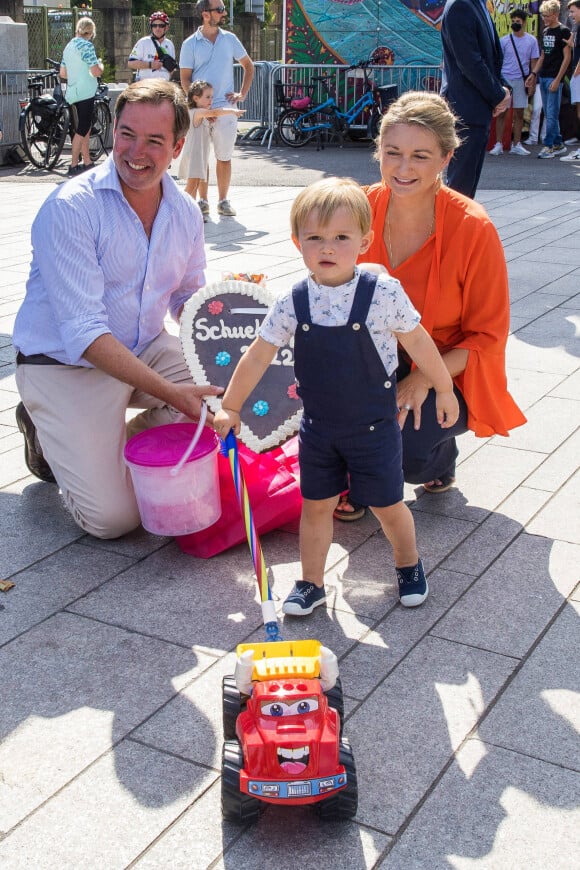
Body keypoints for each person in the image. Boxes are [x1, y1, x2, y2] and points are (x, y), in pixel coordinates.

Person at [214, 177, 461, 615]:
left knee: (388, 505)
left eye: (341, 238)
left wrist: (443, 386)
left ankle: (408, 563)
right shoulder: (294, 301)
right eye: (315, 238)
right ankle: (310, 582)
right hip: (319, 429)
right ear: (297, 242)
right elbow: (257, 355)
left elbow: (419, 342)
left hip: (375, 428)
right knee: (316, 507)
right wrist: (231, 406)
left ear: (364, 242)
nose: (327, 248)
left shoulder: (382, 294)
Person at [12, 79, 223, 540]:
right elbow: (85, 335)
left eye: (154, 140)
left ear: (178, 146)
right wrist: (170, 393)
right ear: (113, 131)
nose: (136, 151)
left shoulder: (185, 211)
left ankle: (104, 443)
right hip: (64, 365)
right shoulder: (71, 208)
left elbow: (188, 296)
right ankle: (47, 433)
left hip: (141, 348)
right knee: (115, 521)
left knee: (220, 391)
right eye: (127, 134)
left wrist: (231, 328)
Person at [334, 92, 526, 521]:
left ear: (446, 158)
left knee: (409, 450)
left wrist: (425, 378)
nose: (403, 169)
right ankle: (358, 473)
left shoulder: (474, 229)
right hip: (367, 360)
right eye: (392, 153)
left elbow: (487, 338)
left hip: (445, 367)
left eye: (420, 156)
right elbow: (315, 252)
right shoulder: (355, 209)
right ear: (378, 151)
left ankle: (436, 458)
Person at [179, 0, 254, 218]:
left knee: (224, 156)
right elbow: (185, 79)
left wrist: (242, 93)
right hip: (202, 109)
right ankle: (202, 201)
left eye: (222, 9)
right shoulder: (190, 43)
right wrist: (198, 105)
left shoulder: (229, 38)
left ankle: (223, 200)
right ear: (205, 14)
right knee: (201, 157)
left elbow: (248, 66)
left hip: (224, 104)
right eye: (219, 9)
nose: (223, 13)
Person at [440, 0, 511, 197]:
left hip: (476, 108)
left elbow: (490, 58)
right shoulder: (460, 5)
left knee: (466, 186)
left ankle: (460, 226)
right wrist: (497, 95)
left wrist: (503, 90)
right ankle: (452, 227)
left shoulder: (477, 4)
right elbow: (469, 61)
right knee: (460, 187)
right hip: (466, 109)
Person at [178, 80, 245, 220]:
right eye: (207, 97)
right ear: (195, 98)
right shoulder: (197, 111)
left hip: (199, 155)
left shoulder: (200, 113)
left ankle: (191, 214)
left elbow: (209, 116)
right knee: (191, 187)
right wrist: (232, 110)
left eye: (212, 97)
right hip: (195, 155)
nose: (211, 100)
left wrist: (209, 120)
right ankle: (180, 213)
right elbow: (215, 111)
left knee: (194, 185)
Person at [490, 9, 540, 156]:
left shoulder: (531, 41)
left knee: (519, 113)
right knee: (502, 112)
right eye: (513, 21)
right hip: (505, 79)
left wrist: (532, 80)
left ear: (524, 23)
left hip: (521, 80)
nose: (515, 24)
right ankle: (498, 144)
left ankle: (516, 144)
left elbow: (534, 62)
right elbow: (497, 61)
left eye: (518, 21)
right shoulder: (504, 41)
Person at [60, 16, 104, 176]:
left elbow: (63, 73)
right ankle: (73, 164)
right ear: (91, 32)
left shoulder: (68, 46)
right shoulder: (87, 46)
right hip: (86, 91)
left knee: (83, 128)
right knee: (83, 128)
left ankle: (87, 161)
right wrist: (101, 65)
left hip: (73, 92)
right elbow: (95, 71)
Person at [531, 0, 572, 158]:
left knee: (552, 114)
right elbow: (542, 56)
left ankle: (550, 145)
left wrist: (558, 79)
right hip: (544, 76)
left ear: (555, 15)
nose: (544, 19)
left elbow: (566, 58)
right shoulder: (545, 31)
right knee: (549, 114)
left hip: (555, 77)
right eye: (543, 15)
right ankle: (558, 143)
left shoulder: (564, 31)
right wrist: (534, 74)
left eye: (547, 16)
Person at [128, 11, 177, 82]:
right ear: (151, 27)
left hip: (164, 85)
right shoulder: (143, 42)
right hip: (145, 85)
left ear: (166, 27)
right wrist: (150, 65)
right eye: (154, 25)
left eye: (161, 25)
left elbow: (172, 69)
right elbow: (131, 63)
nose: (157, 28)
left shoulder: (170, 44)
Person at [560, 0, 580, 161]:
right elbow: (575, 45)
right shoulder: (578, 27)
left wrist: (576, 73)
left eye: (573, 11)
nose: (571, 15)